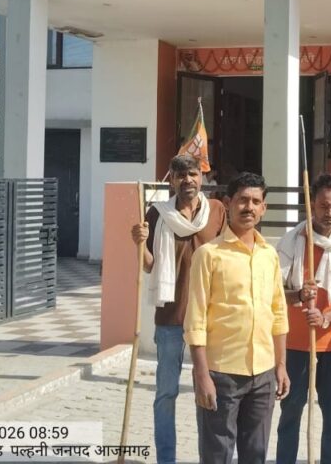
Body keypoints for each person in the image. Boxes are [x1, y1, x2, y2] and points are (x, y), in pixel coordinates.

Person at [184, 172, 289, 464]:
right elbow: (195, 320)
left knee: (256, 454)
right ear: (228, 203)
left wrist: (281, 365)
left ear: (264, 208)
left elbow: (278, 313)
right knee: (216, 455)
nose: (249, 207)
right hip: (221, 374)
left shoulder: (269, 255)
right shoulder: (208, 255)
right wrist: (201, 375)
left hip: (263, 374)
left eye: (256, 201)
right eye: (243, 200)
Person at [131, 154, 226, 464]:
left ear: (202, 177)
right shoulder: (157, 213)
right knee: (166, 394)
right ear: (171, 180)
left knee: (208, 394)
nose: (188, 180)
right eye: (181, 175)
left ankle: (209, 458)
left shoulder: (217, 211)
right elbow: (149, 266)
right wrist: (139, 243)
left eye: (193, 174)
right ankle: (166, 459)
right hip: (171, 317)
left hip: (210, 319)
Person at [275, 173, 331, 464]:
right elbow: (274, 292)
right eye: (323, 206)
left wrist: (325, 317)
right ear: (311, 204)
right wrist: (299, 295)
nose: (329, 213)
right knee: (291, 411)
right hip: (294, 342)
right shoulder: (292, 241)